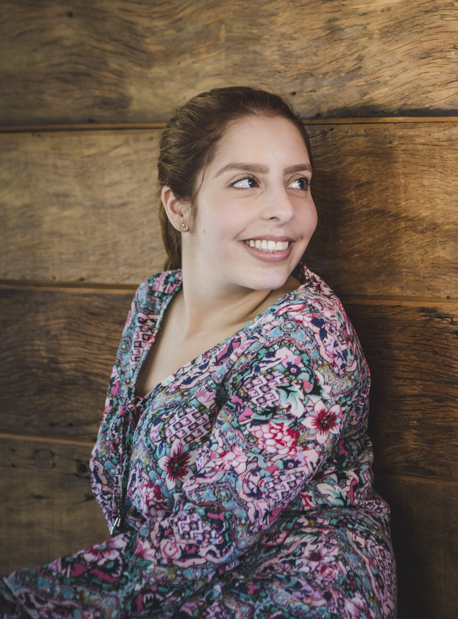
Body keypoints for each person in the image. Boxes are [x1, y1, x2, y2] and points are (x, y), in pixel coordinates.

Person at [1, 87, 396, 618]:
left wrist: (27, 603)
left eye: (298, 182)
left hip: (290, 598)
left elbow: (204, 532)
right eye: (247, 181)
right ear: (179, 206)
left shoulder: (308, 341)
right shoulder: (155, 303)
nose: (284, 209)